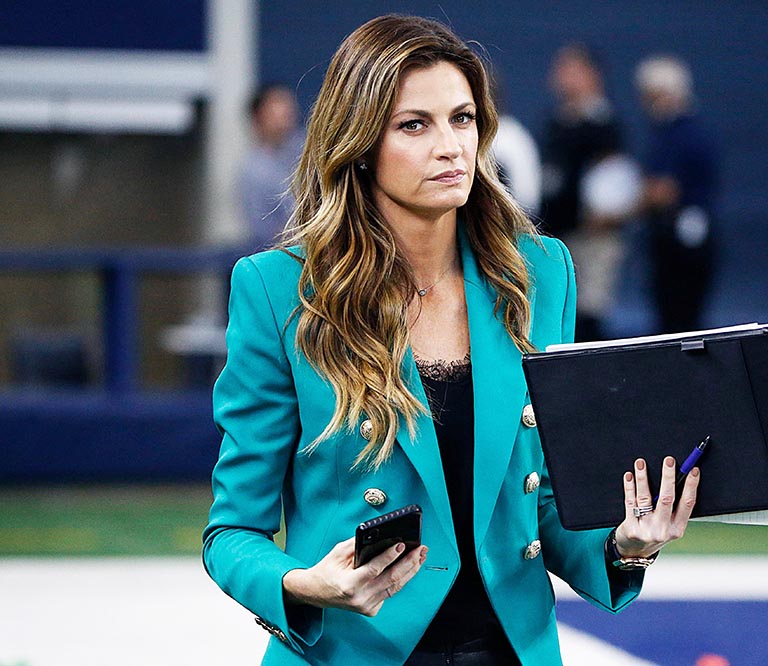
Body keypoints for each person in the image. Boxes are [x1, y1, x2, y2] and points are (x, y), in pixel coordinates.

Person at [203, 15, 700, 666]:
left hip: (508, 651)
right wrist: (303, 585)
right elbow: (233, 530)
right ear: (358, 143)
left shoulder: (542, 275)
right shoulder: (279, 290)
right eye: (415, 124)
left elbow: (541, 494)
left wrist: (624, 545)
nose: (451, 146)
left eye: (462, 119)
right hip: (355, 652)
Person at [539, 45, 631, 341]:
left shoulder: (603, 124)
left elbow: (615, 181)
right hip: (557, 234)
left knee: (586, 314)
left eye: (570, 69)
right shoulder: (557, 122)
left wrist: (603, 216)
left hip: (590, 238)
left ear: (592, 75)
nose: (561, 77)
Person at [635, 56, 720, 333]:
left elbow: (663, 191)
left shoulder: (680, 136)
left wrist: (621, 207)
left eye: (649, 96)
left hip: (683, 249)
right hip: (673, 244)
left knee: (681, 326)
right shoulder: (671, 134)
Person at [240, 83, 304, 249]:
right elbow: (263, 231)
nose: (285, 112)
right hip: (289, 253)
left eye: (287, 105)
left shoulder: (309, 148)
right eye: (276, 105)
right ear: (258, 116)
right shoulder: (254, 170)